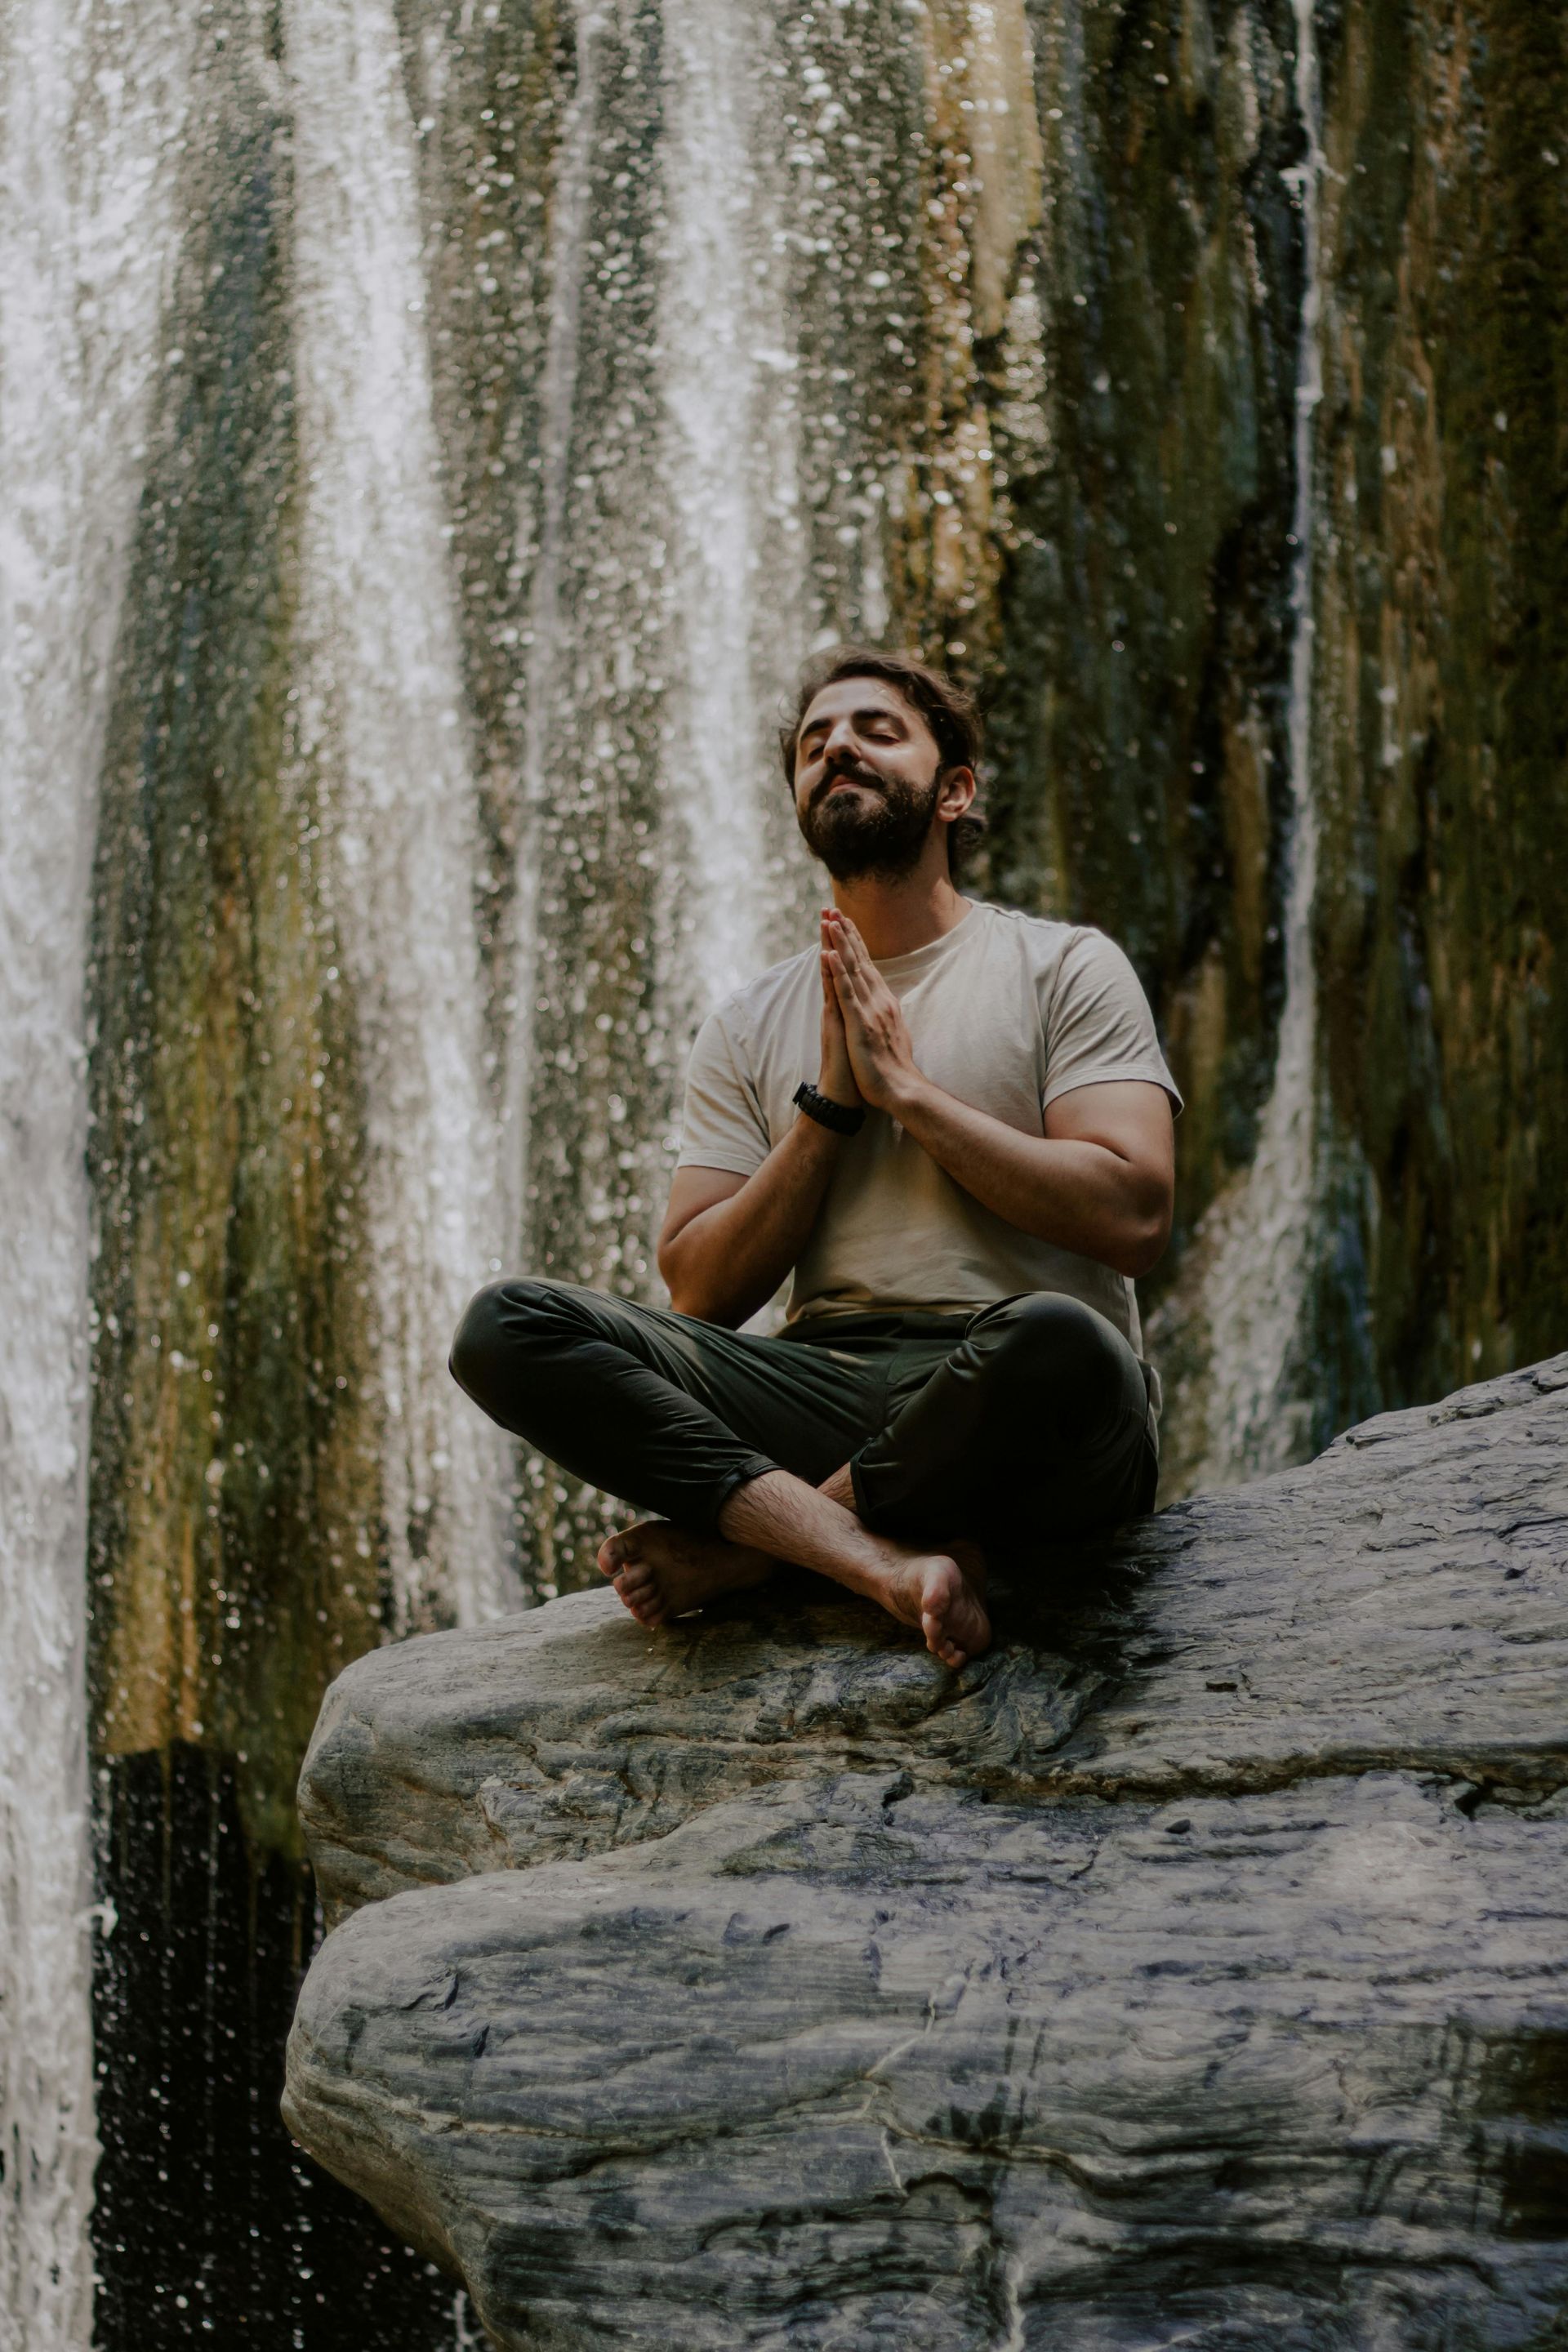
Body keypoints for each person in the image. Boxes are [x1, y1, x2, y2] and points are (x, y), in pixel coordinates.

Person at [451, 646, 1179, 1670]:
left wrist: (910, 1096)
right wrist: (829, 1111)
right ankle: (871, 1551)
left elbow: (1137, 1215)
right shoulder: (751, 1023)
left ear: (953, 789)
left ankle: (756, 1553)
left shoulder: (1062, 965)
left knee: (1065, 1343)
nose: (838, 746)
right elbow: (698, 1288)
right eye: (813, 743)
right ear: (800, 800)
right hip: (825, 1387)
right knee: (505, 1327)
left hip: (1027, 1406)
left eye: (877, 730)